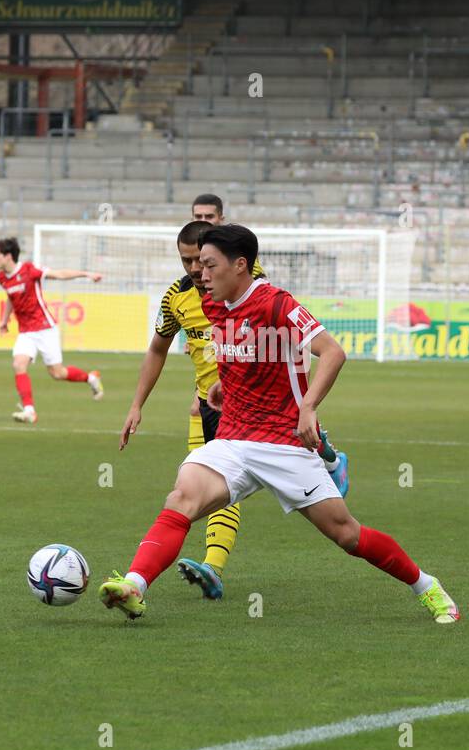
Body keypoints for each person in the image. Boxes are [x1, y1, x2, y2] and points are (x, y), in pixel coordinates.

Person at [102, 224, 459, 623]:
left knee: (346, 534)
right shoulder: (213, 303)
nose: (200, 273)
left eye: (208, 264)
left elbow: (333, 352)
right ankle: (135, 585)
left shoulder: (276, 303)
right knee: (181, 498)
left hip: (284, 441)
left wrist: (308, 407)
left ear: (240, 265)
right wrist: (224, 384)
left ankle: (427, 586)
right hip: (234, 438)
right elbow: (245, 352)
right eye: (198, 265)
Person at [120, 220, 348, 600]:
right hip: (210, 403)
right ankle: (205, 568)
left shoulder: (244, 283)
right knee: (196, 491)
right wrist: (137, 404)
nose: (196, 270)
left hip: (264, 405)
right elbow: (157, 349)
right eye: (187, 261)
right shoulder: (176, 298)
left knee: (337, 525)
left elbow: (270, 334)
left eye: (202, 260)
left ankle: (325, 455)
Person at [0, 237, 104, 422]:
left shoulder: (29, 270)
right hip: (26, 331)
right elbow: (11, 298)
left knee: (57, 373)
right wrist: (4, 321)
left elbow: (59, 274)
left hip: (45, 328)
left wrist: (86, 274)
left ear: (8, 256)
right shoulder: (2, 278)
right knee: (19, 364)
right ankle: (29, 411)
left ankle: (90, 378)